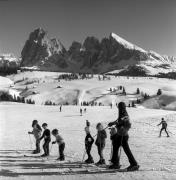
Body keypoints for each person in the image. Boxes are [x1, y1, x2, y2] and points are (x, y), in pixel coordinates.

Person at [108, 102, 139, 171]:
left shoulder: (125, 114)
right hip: (120, 135)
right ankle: (115, 163)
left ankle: (134, 164)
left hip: (123, 135)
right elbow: (119, 122)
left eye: (121, 107)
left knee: (126, 150)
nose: (120, 108)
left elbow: (128, 124)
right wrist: (112, 123)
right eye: (119, 107)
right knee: (115, 146)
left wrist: (123, 128)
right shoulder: (121, 114)